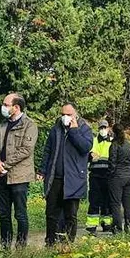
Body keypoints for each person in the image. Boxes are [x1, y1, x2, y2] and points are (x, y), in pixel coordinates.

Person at [39, 103, 93, 246]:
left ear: (75, 114)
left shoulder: (84, 129)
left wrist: (74, 130)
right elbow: (48, 150)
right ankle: (50, 242)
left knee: (70, 214)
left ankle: (67, 243)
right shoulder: (56, 129)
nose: (65, 117)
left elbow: (85, 148)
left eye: (69, 115)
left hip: (74, 178)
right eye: (63, 114)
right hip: (55, 177)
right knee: (51, 213)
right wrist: (42, 170)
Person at [0, 93, 38, 250]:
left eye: (6, 104)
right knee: (4, 214)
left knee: (20, 214)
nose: (3, 107)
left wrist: (5, 165)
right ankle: (5, 247)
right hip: (2, 177)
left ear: (16, 107)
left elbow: (26, 150)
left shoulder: (29, 125)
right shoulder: (3, 125)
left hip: (19, 177)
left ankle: (21, 247)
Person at [86, 120, 113, 234]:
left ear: (108, 129)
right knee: (94, 200)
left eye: (104, 127)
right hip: (95, 175)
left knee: (107, 201)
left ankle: (107, 224)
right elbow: (86, 155)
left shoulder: (112, 142)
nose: (103, 129)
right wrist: (90, 156)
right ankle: (92, 226)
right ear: (98, 129)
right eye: (101, 127)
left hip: (108, 175)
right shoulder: (93, 141)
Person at [108, 124, 130, 234]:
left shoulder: (114, 145)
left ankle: (117, 229)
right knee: (127, 204)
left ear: (114, 133)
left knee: (116, 204)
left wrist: (110, 174)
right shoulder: (128, 145)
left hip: (117, 177)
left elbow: (112, 162)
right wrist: (128, 172)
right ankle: (129, 227)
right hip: (128, 176)